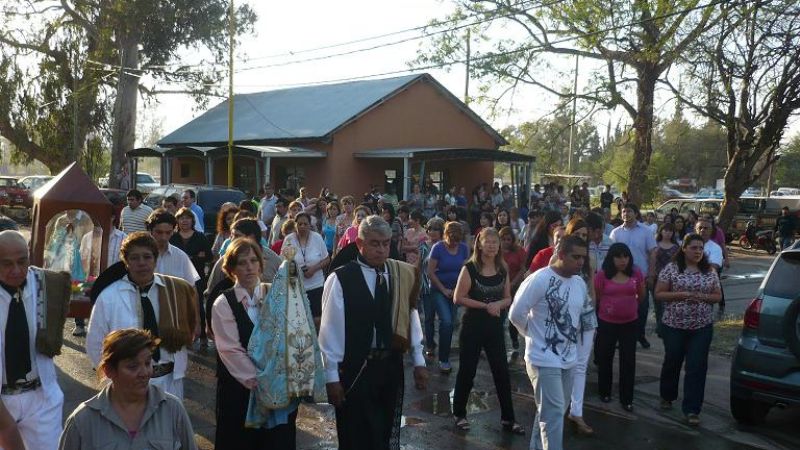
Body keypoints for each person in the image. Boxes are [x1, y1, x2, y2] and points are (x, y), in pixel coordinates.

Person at [319, 215, 428, 450]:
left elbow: (410, 317)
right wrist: (331, 377)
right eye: (374, 243)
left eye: (386, 243)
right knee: (356, 433)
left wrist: (418, 361)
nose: (381, 250)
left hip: (390, 367)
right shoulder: (341, 278)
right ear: (360, 244)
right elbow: (330, 330)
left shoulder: (400, 274)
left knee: (383, 432)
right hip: (357, 368)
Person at [87, 232, 199, 399]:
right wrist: (115, 380)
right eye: (134, 258)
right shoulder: (109, 297)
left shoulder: (175, 291)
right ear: (126, 262)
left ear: (155, 260)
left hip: (168, 382)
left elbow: (190, 331)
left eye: (147, 257)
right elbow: (95, 344)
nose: (142, 263)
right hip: (126, 385)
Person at [510, 235, 588, 450]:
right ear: (561, 254)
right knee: (553, 414)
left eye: (584, 257)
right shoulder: (539, 279)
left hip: (568, 359)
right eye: (576, 257)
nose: (581, 261)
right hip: (543, 359)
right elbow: (516, 314)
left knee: (552, 412)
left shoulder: (580, 283)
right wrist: (533, 335)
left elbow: (580, 317)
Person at [59, 328, 198, 450]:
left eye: (148, 363)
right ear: (109, 371)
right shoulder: (82, 421)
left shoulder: (172, 410)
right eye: (133, 366)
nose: (144, 373)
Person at [0, 230, 70, 450]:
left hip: (42, 397)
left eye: (22, 261)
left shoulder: (48, 284)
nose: (16, 270)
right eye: (6, 264)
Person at [452, 228, 524, 434]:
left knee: (501, 372)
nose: (492, 245)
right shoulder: (470, 268)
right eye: (488, 241)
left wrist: (498, 304)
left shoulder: (502, 267)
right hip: (472, 326)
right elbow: (458, 298)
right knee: (468, 371)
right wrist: (486, 306)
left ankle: (508, 419)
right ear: (480, 243)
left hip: (494, 327)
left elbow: (508, 297)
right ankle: (459, 413)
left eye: (496, 241)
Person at [654, 234, 722, 426]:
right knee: (673, 360)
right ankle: (667, 395)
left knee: (697, 366)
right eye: (694, 248)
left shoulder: (709, 270)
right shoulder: (672, 268)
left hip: (701, 326)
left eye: (701, 248)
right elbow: (659, 293)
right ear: (684, 248)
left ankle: (692, 409)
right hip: (674, 325)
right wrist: (681, 294)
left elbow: (717, 296)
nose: (698, 251)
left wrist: (701, 296)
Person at [594, 243, 645, 412]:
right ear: (611, 258)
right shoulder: (602, 275)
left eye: (626, 256)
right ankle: (604, 392)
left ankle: (627, 398)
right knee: (604, 358)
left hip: (630, 323)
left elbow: (642, 294)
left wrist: (629, 306)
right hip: (606, 322)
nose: (623, 261)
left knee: (628, 361)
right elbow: (598, 296)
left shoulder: (635, 273)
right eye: (618, 257)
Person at [205, 219, 282, 327]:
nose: (231, 240)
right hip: (233, 325)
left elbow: (283, 292)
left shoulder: (274, 259)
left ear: (251, 237)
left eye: (236, 236)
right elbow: (211, 293)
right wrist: (210, 324)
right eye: (231, 236)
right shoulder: (224, 262)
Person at [609, 203, 657, 349]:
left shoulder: (646, 231)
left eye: (629, 211)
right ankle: (621, 337)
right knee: (621, 307)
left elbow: (653, 253)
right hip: (620, 277)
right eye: (623, 211)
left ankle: (640, 335)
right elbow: (610, 255)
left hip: (641, 276)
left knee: (642, 308)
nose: (626, 214)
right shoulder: (615, 233)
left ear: (636, 213)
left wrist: (651, 274)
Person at [427, 221, 470, 374]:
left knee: (450, 324)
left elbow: (465, 269)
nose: (454, 244)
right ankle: (443, 359)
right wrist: (444, 289)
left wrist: (460, 289)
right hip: (439, 289)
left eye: (457, 241)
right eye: (452, 241)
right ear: (445, 236)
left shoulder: (464, 248)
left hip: (455, 290)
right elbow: (430, 272)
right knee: (445, 321)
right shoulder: (437, 248)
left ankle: (444, 353)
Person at [170, 207, 213, 346]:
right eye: (181, 218)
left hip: (197, 276)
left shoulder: (200, 237)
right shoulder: (173, 237)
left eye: (187, 218)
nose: (184, 221)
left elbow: (208, 256)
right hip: (177, 276)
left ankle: (202, 335)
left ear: (192, 220)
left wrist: (194, 257)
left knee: (198, 305)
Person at [281, 212, 330, 331]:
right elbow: (283, 262)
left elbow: (327, 259)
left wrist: (314, 269)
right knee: (300, 319)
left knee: (317, 319)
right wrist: (296, 270)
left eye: (305, 224)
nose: (302, 226)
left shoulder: (317, 238)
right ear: (295, 225)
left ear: (309, 225)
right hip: (297, 286)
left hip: (316, 284)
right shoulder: (289, 239)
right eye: (299, 224)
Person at [146, 210, 201, 286]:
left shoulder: (181, 257)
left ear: (173, 231)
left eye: (168, 233)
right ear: (150, 231)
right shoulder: (140, 256)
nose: (163, 237)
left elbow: (191, 288)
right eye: (159, 232)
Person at [420, 218, 445, 357]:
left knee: (444, 319)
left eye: (436, 229)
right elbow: (418, 266)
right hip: (426, 287)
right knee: (428, 318)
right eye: (430, 229)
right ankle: (430, 344)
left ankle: (443, 344)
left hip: (442, 287)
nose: (433, 232)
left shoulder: (445, 246)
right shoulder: (423, 246)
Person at [499, 226, 526, 350]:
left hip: (515, 287)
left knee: (512, 316)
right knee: (498, 316)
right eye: (503, 239)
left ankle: (514, 339)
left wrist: (513, 283)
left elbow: (523, 269)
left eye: (508, 239)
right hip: (498, 287)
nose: (505, 242)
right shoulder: (495, 252)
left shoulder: (519, 251)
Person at [653, 223, 679, 336]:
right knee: (657, 304)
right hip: (656, 278)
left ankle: (666, 327)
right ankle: (659, 326)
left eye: (670, 231)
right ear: (661, 231)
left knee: (668, 303)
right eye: (665, 230)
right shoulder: (655, 245)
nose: (667, 233)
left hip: (671, 279)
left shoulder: (676, 247)